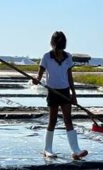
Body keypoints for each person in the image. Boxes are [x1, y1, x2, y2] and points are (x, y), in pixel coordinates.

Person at [33, 31, 88, 160]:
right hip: (52, 91)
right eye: (57, 47)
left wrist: (74, 94)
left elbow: (69, 77)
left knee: (68, 119)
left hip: (64, 91)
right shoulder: (46, 57)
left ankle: (76, 150)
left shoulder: (68, 57)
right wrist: (36, 80)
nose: (58, 50)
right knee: (52, 120)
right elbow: (39, 75)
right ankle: (48, 149)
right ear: (52, 44)